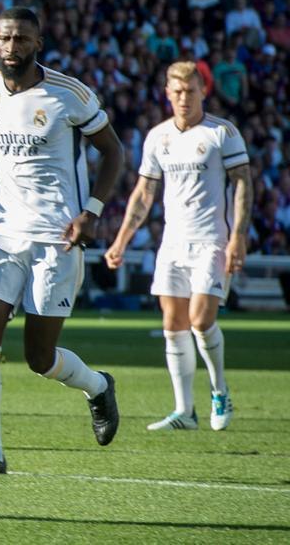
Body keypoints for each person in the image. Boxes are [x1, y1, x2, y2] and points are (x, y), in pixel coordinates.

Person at [0, 7, 124, 475]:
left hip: (57, 236)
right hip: (2, 229)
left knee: (39, 357)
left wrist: (91, 214)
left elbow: (113, 151)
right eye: (5, 38)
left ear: (38, 43)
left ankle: (97, 386)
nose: (12, 47)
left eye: (22, 39)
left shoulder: (68, 94)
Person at [104, 61, 251, 431]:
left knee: (202, 321)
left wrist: (238, 236)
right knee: (174, 325)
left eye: (191, 91)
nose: (184, 98)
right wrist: (121, 239)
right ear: (168, 94)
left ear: (204, 91)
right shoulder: (158, 137)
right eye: (178, 92)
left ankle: (219, 391)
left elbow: (243, 184)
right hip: (172, 243)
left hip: (212, 241)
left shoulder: (223, 133)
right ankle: (184, 411)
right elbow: (144, 193)